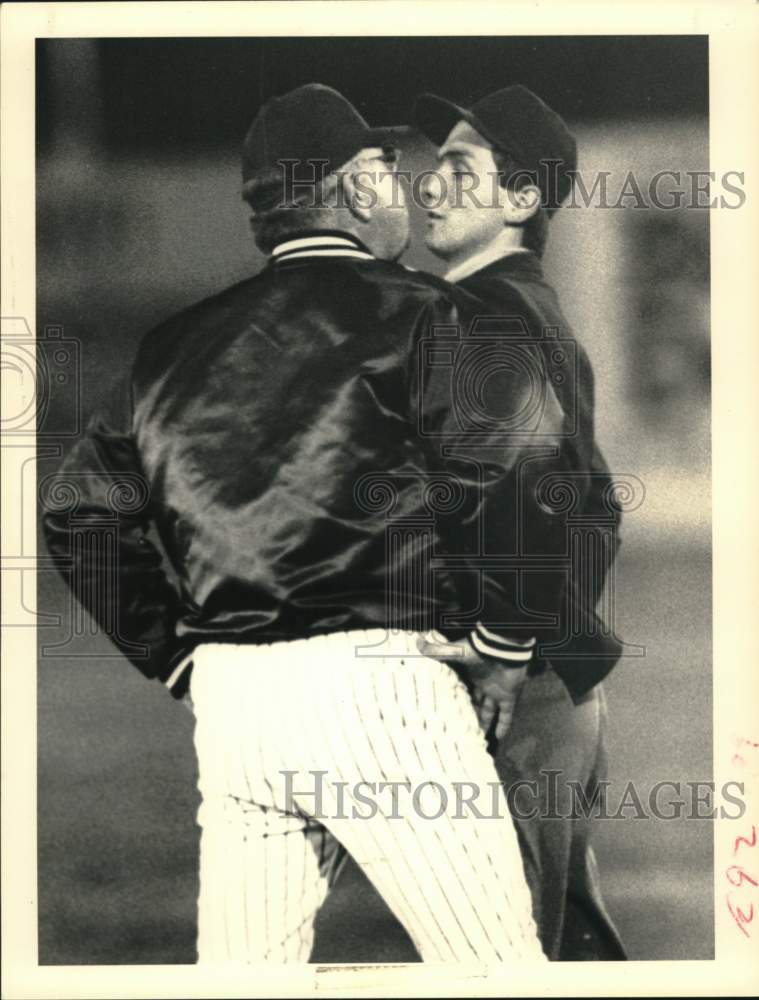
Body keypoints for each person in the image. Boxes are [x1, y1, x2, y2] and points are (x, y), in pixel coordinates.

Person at [42, 84, 548, 965]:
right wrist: (504, 637)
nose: (402, 189)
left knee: (246, 981)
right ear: (353, 190)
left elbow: (79, 510)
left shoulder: (170, 346)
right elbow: (523, 474)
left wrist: (177, 655)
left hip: (234, 700)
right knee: (498, 970)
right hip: (382, 689)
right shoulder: (425, 311)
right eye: (387, 172)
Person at [413, 84, 627, 959]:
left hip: (521, 686)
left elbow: (566, 500)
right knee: (560, 940)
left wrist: (502, 644)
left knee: (509, 952)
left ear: (521, 200)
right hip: (545, 677)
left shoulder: (490, 314)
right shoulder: (513, 306)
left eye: (460, 170)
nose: (430, 186)